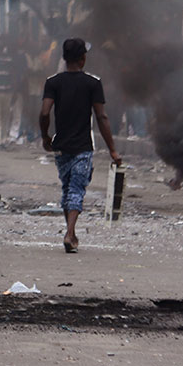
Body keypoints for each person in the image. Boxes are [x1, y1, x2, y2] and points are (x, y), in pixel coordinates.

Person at [39, 38, 122, 253]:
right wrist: (112, 149)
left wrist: (45, 137)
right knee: (76, 189)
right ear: (83, 59)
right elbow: (102, 117)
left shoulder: (53, 82)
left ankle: (71, 232)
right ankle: (69, 233)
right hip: (83, 146)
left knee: (68, 189)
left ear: (64, 59)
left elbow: (45, 112)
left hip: (61, 147)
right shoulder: (93, 83)